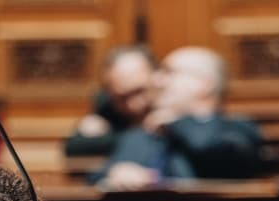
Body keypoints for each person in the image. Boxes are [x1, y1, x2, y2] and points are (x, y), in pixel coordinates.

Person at [89, 45, 264, 190]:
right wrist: (116, 172)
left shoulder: (239, 128)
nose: (158, 81)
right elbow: (96, 176)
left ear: (205, 84)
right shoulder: (144, 134)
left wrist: (177, 122)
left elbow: (210, 148)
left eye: (170, 73)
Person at [64, 45, 158, 157]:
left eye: (139, 91)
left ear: (159, 78)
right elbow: (74, 147)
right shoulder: (106, 106)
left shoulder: (176, 105)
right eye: (122, 98)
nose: (134, 105)